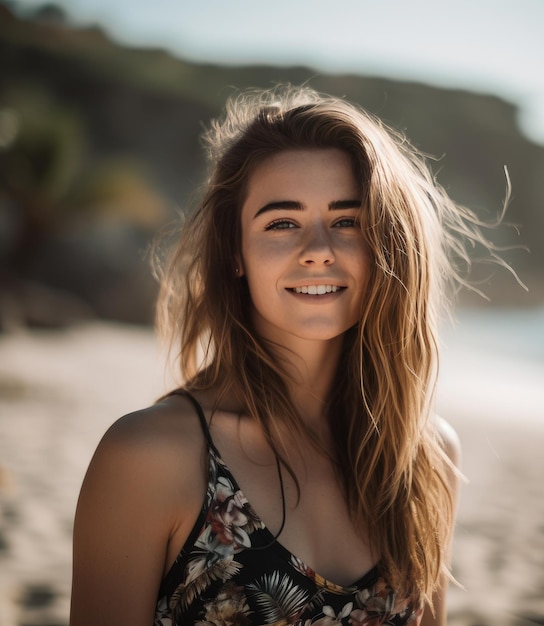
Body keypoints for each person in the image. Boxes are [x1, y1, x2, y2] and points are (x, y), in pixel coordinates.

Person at [70, 85, 494, 626]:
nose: (318, 247)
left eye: (348, 221)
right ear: (236, 254)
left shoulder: (425, 457)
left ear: (388, 244)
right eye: (281, 223)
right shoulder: (149, 458)